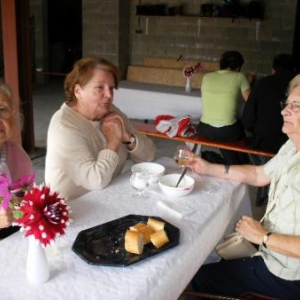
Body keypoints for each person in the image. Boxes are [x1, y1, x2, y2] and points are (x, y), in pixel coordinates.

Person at [186, 76, 300, 299]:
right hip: (272, 254)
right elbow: (260, 174)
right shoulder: (292, 146)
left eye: (296, 106)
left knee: (196, 277)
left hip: (288, 275)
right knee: (215, 255)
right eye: (287, 104)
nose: (284, 112)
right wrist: (208, 167)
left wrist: (263, 237)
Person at [45, 56, 156, 200]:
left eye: (111, 88)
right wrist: (114, 142)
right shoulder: (64, 126)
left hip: (107, 197)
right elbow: (95, 180)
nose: (109, 95)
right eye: (100, 87)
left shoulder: (110, 111)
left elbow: (149, 156)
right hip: (73, 210)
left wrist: (127, 138)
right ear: (78, 91)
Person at [199, 50, 251, 165]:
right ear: (238, 67)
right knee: (240, 132)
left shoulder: (206, 77)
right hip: (227, 131)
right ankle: (242, 164)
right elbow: (250, 101)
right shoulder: (239, 76)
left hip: (204, 129)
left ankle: (234, 163)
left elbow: (204, 96)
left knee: (226, 138)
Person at [242, 53, 296, 154]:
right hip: (292, 144)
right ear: (294, 70)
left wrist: (260, 131)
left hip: (262, 143)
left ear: (273, 69)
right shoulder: (296, 86)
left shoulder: (261, 84)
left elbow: (247, 119)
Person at [0, 83, 33, 238]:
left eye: (2, 110)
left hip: (12, 234)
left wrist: (17, 210)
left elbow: (23, 200)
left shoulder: (16, 155)